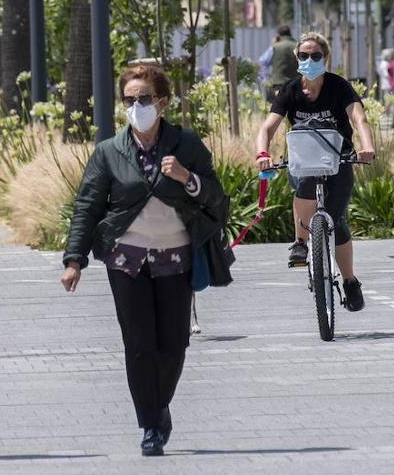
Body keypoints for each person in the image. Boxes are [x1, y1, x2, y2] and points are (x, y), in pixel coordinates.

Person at [60, 64, 226, 457]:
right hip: (126, 262)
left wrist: (188, 178)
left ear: (163, 102)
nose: (137, 106)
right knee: (138, 345)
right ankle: (150, 423)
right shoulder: (108, 152)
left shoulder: (186, 144)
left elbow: (216, 197)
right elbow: (87, 206)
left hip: (176, 260)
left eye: (145, 98)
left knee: (173, 344)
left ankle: (159, 405)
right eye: (130, 100)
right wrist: (74, 260)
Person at [254, 32, 377, 311]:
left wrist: (366, 147)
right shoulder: (290, 89)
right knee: (305, 184)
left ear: (326, 58)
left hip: (338, 160)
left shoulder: (338, 86)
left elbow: (359, 117)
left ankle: (349, 281)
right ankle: (299, 242)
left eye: (316, 56)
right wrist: (263, 153)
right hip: (303, 160)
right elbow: (268, 127)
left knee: (337, 222)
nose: (309, 60)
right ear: (297, 58)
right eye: (304, 56)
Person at [258, 25, 299, 104]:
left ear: (278, 35)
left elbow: (262, 62)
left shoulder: (275, 47)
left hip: (278, 85)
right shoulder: (298, 46)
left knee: (278, 111)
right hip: (296, 84)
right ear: (290, 34)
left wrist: (265, 80)